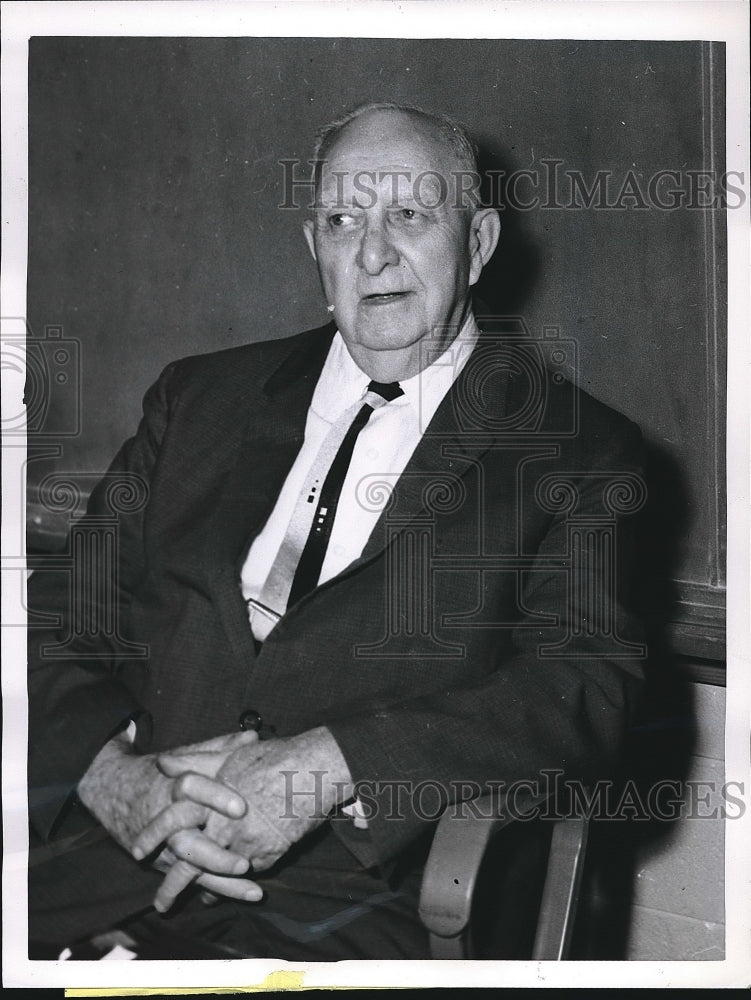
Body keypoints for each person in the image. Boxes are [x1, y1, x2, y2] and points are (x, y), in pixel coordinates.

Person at [27, 102, 646, 961]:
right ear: (312, 242)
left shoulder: (578, 450)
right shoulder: (197, 398)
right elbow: (61, 605)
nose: (373, 253)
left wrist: (326, 768)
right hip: (103, 859)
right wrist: (110, 778)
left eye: (410, 215)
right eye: (343, 219)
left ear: (478, 243)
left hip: (347, 905)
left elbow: (582, 689)